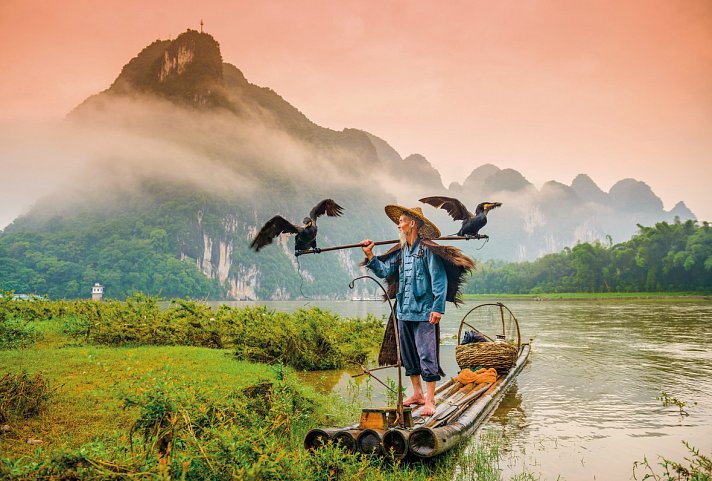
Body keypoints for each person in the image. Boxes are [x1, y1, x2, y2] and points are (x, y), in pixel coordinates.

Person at [360, 205, 448, 416]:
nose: (398, 225)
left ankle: (430, 400)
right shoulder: (401, 252)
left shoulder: (427, 250)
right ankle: (417, 394)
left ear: (412, 224)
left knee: (427, 355)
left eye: (401, 221)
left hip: (424, 312)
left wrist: (438, 308)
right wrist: (370, 255)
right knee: (408, 356)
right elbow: (385, 270)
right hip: (403, 312)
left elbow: (439, 280)